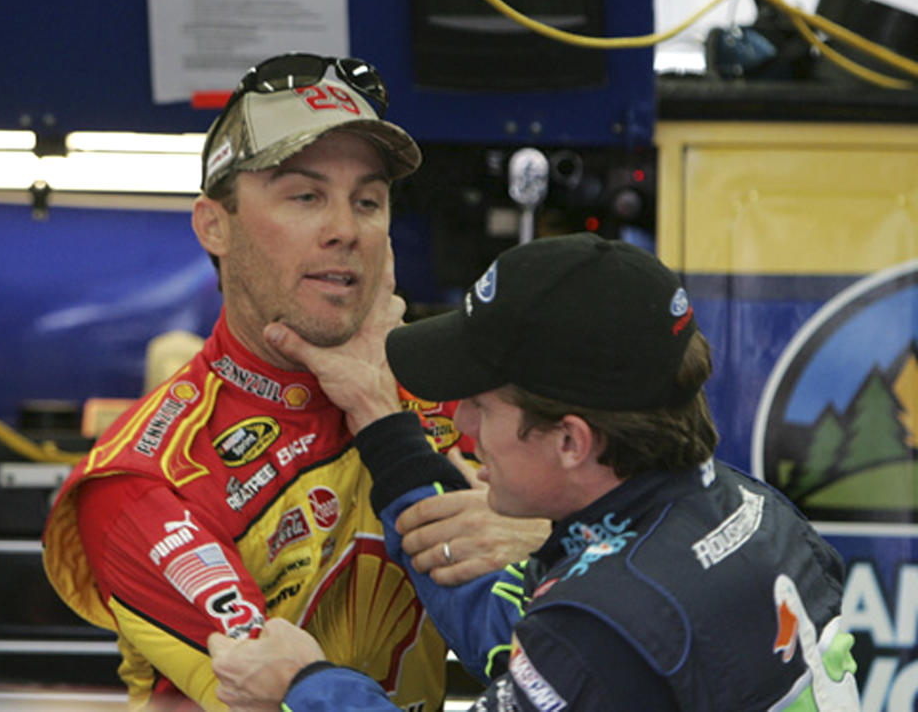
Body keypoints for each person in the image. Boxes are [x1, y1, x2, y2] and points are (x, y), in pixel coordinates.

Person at [41, 53, 547, 711]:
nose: (345, 231)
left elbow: (596, 621)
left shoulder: (453, 401)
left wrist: (543, 538)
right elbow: (283, 692)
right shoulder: (144, 482)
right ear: (212, 225)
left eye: (367, 201)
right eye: (305, 196)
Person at [207, 233, 861, 711]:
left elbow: (573, 652)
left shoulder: (603, 632)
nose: (457, 421)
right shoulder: (746, 510)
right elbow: (520, 641)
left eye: (483, 405)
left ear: (572, 441)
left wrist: (303, 687)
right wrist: (385, 432)